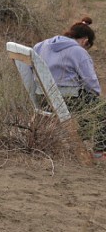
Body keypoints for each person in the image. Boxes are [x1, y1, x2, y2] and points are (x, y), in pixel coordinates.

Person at [33, 16, 105, 160]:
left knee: (87, 100)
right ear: (85, 41)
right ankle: (99, 151)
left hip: (41, 98)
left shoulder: (42, 45)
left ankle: (83, 138)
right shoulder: (78, 51)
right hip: (64, 100)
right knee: (99, 106)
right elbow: (91, 83)